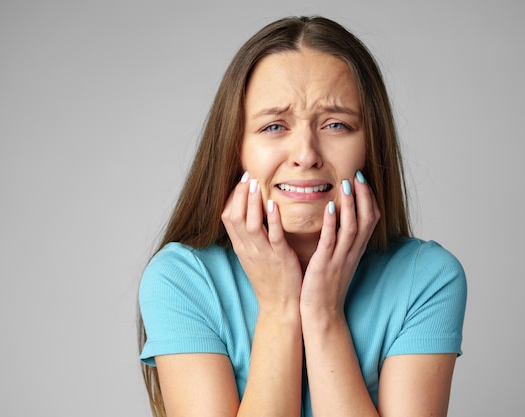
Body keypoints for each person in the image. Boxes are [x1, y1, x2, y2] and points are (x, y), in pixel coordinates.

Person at [138, 16, 467, 417]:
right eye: (274, 125)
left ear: (370, 145)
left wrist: (323, 314)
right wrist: (278, 309)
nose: (306, 153)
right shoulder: (183, 278)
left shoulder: (427, 278)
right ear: (235, 147)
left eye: (336, 124)